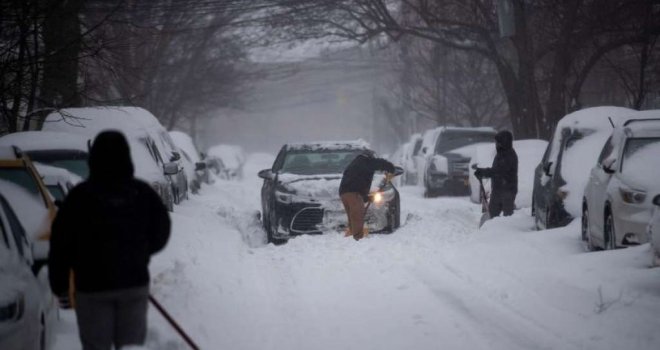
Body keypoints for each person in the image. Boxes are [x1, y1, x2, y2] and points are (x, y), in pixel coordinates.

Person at [49, 130, 171, 350]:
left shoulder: (80, 196)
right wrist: (142, 252)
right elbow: (161, 230)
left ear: (93, 158)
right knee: (131, 346)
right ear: (127, 157)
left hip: (91, 289)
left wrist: (59, 284)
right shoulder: (141, 193)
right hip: (133, 285)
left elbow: (61, 243)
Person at [339, 151, 395, 241]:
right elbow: (379, 163)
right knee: (357, 216)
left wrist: (366, 198)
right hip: (353, 193)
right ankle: (357, 239)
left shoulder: (357, 164)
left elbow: (358, 180)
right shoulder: (364, 161)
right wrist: (390, 167)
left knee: (353, 217)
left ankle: (351, 237)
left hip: (344, 193)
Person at [474, 130, 518, 217]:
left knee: (507, 217)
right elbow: (496, 170)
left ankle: (505, 230)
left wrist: (483, 172)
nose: (496, 144)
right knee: (493, 213)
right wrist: (483, 172)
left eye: (498, 142)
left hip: (507, 190)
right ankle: (494, 229)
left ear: (503, 142)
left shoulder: (509, 155)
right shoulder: (501, 154)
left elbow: (498, 171)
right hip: (498, 190)